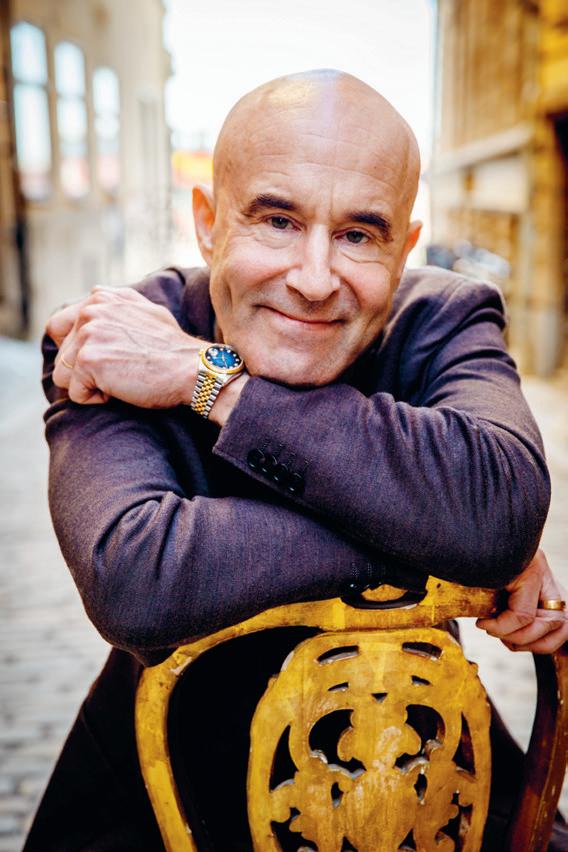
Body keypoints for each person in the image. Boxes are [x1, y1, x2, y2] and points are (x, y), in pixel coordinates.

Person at [25, 70, 567, 851]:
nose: (314, 280)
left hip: (417, 795)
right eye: (277, 221)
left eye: (358, 235)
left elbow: (502, 506)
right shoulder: (117, 337)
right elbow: (135, 576)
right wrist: (448, 541)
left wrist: (207, 380)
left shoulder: (442, 319)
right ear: (208, 223)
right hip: (164, 809)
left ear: (403, 249)